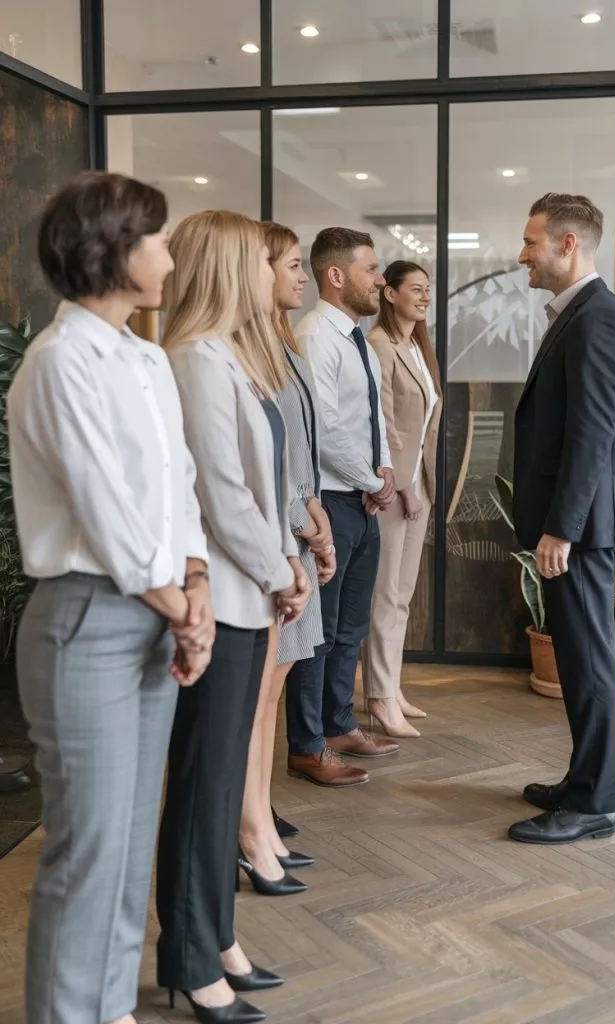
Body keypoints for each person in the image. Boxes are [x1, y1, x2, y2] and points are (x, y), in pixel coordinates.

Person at [9, 171, 214, 1024]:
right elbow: (105, 509)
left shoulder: (143, 359)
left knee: (131, 845)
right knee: (86, 851)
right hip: (88, 617)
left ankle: (109, 1008)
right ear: (113, 250)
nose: (170, 258)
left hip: (157, 608)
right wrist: (181, 606)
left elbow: (179, 490)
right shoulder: (58, 362)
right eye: (159, 240)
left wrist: (196, 584)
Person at [155, 210, 312, 1024]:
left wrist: (280, 569)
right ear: (227, 268)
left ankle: (214, 934)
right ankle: (188, 954)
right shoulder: (195, 361)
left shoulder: (225, 359)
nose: (274, 276)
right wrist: (282, 567)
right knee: (205, 784)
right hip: (225, 595)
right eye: (261, 262)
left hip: (251, 595)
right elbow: (220, 493)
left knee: (219, 787)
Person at [509, 193, 615, 846]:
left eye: (531, 241)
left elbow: (589, 436)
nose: (521, 253)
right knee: (582, 662)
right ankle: (581, 779)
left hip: (579, 529)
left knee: (588, 666)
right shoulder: (577, 314)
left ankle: (592, 803)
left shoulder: (596, 319)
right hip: (575, 524)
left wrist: (559, 528)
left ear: (566, 245)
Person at [286, 227, 400, 789]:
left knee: (350, 627)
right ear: (337, 276)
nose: (382, 280)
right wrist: (370, 479)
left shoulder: (357, 338)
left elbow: (369, 419)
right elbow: (322, 429)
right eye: (372, 269)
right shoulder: (315, 336)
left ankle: (337, 725)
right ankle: (307, 745)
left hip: (361, 499)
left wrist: (384, 474)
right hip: (331, 499)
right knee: (320, 631)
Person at [239, 222, 335, 886]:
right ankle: (249, 826)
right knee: (260, 689)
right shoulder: (240, 353)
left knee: (274, 685)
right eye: (293, 266)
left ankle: (258, 816)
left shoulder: (284, 345)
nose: (302, 277)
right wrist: (306, 521)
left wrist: (311, 511)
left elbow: (296, 450)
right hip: (277, 538)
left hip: (296, 528)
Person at [363, 261, 442, 737]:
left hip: (422, 487)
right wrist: (408, 490)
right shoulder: (379, 345)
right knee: (386, 595)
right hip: (397, 490)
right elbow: (386, 425)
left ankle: (391, 688)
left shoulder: (416, 346)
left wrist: (423, 488)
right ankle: (377, 697)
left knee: (403, 597)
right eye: (415, 289)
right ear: (389, 293)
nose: (424, 297)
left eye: (427, 290)